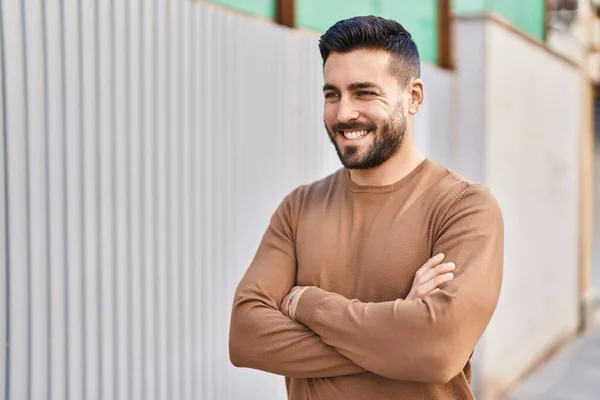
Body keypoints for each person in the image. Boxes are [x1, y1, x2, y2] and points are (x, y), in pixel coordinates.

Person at [229, 15, 503, 400]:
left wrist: (306, 302)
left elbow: (438, 351)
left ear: (414, 97)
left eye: (364, 93)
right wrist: (398, 332)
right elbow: (245, 338)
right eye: (332, 94)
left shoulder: (463, 207)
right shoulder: (299, 208)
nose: (343, 114)